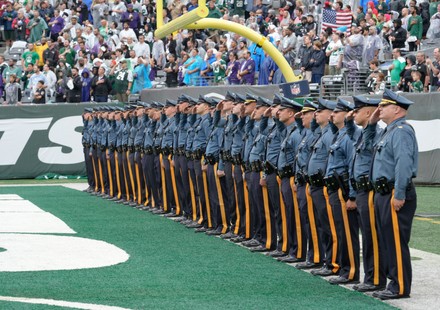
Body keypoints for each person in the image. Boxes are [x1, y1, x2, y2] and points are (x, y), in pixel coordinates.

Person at [370, 89, 418, 300]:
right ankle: (393, 282)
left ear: (396, 108)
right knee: (387, 240)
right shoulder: (387, 131)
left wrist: (399, 194)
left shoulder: (401, 131)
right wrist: (371, 123)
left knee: (396, 241)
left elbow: (403, 165)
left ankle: (399, 286)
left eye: (384, 105)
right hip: (383, 192)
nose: (379, 108)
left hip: (394, 193)